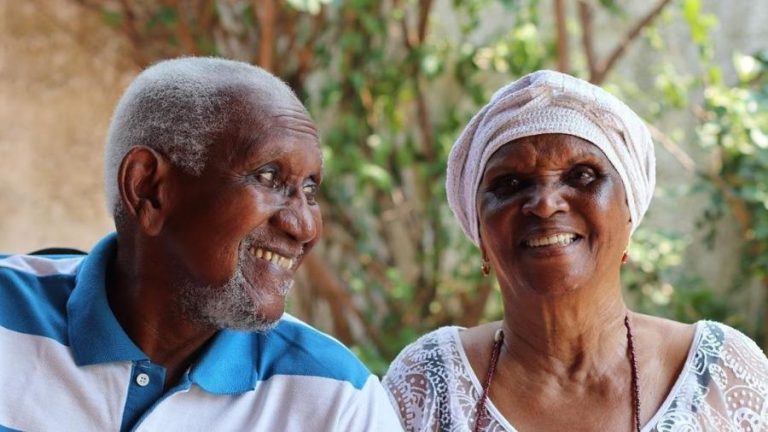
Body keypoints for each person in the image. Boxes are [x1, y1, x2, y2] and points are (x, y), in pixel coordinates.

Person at [0, 57, 402, 431]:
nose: (305, 227)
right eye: (267, 177)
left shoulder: (337, 401)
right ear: (148, 189)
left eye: (310, 189)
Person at [382, 70, 768, 431]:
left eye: (581, 175)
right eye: (510, 183)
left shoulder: (720, 373)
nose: (545, 204)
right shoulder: (430, 384)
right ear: (480, 230)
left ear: (629, 211)